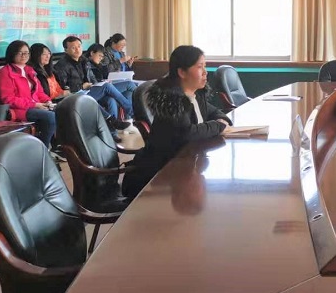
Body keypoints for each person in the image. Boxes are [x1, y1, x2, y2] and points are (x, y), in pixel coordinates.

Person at [122, 45, 231, 199]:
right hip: (158, 177)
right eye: (200, 67)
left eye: (205, 66)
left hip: (184, 166)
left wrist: (222, 120)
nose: (205, 72)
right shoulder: (171, 102)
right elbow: (188, 133)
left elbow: (214, 112)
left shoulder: (195, 94)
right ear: (182, 72)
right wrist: (219, 125)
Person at [53, 36, 131, 131]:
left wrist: (97, 83)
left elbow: (92, 77)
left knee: (110, 99)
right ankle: (130, 112)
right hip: (75, 95)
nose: (77, 50)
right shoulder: (62, 66)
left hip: (88, 91)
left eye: (79, 46)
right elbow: (63, 88)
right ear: (66, 50)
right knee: (107, 87)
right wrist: (81, 86)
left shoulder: (83, 61)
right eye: (73, 48)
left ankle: (112, 133)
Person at [0, 41, 56, 148]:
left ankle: (56, 148)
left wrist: (48, 102)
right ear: (12, 54)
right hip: (18, 110)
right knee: (50, 116)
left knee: (61, 110)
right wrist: (34, 105)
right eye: (20, 53)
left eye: (26, 53)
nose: (24, 55)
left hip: (35, 106)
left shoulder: (30, 70)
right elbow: (8, 99)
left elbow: (40, 92)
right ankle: (43, 149)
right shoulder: (4, 73)